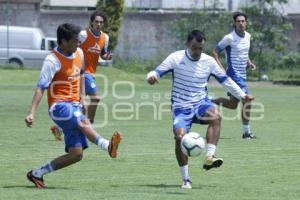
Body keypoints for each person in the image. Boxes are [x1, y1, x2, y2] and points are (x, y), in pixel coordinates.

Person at [146, 30, 253, 189]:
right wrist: (151, 77)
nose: (197, 52)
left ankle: (210, 156)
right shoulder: (175, 58)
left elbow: (225, 80)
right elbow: (156, 71)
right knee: (179, 137)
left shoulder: (209, 61)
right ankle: (186, 179)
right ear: (187, 45)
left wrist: (242, 95)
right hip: (181, 107)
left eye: (200, 48)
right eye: (194, 48)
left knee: (216, 116)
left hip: (201, 103)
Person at [25, 23, 121, 188]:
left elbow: (82, 74)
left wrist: (82, 97)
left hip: (75, 104)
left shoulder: (79, 53)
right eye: (75, 41)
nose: (79, 44)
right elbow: (41, 87)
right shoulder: (52, 60)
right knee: (84, 122)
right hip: (58, 106)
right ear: (63, 41)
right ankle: (107, 146)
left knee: (76, 154)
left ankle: (37, 173)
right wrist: (31, 113)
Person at [50, 11, 112, 140]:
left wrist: (106, 57)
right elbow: (72, 46)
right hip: (81, 72)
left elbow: (103, 54)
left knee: (79, 105)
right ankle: (89, 125)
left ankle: (59, 129)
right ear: (92, 22)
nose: (99, 24)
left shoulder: (105, 38)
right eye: (96, 22)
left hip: (91, 73)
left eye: (101, 22)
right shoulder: (83, 35)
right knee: (96, 98)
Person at [211, 12, 257, 139]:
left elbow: (243, 52)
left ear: (246, 23)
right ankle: (246, 132)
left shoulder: (248, 36)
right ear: (234, 23)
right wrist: (220, 68)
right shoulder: (229, 38)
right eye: (238, 21)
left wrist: (249, 63)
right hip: (233, 75)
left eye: (243, 21)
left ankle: (210, 99)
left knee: (233, 105)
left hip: (242, 75)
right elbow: (214, 52)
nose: (241, 23)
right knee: (247, 100)